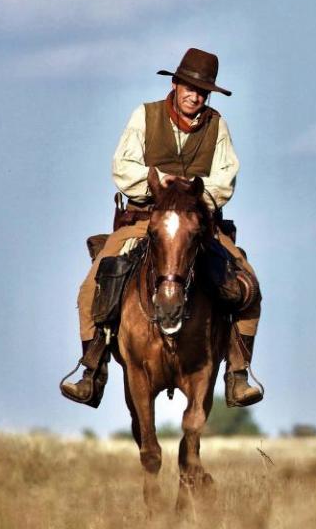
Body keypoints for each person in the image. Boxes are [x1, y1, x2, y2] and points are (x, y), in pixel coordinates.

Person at [61, 48, 264, 407]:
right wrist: (160, 185)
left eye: (202, 91)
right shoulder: (145, 115)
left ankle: (237, 373)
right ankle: (92, 369)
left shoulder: (218, 126)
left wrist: (193, 200)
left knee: (247, 283)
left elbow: (224, 179)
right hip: (144, 219)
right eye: (189, 87)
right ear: (175, 84)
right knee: (91, 286)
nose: (195, 95)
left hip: (197, 223)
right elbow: (122, 166)